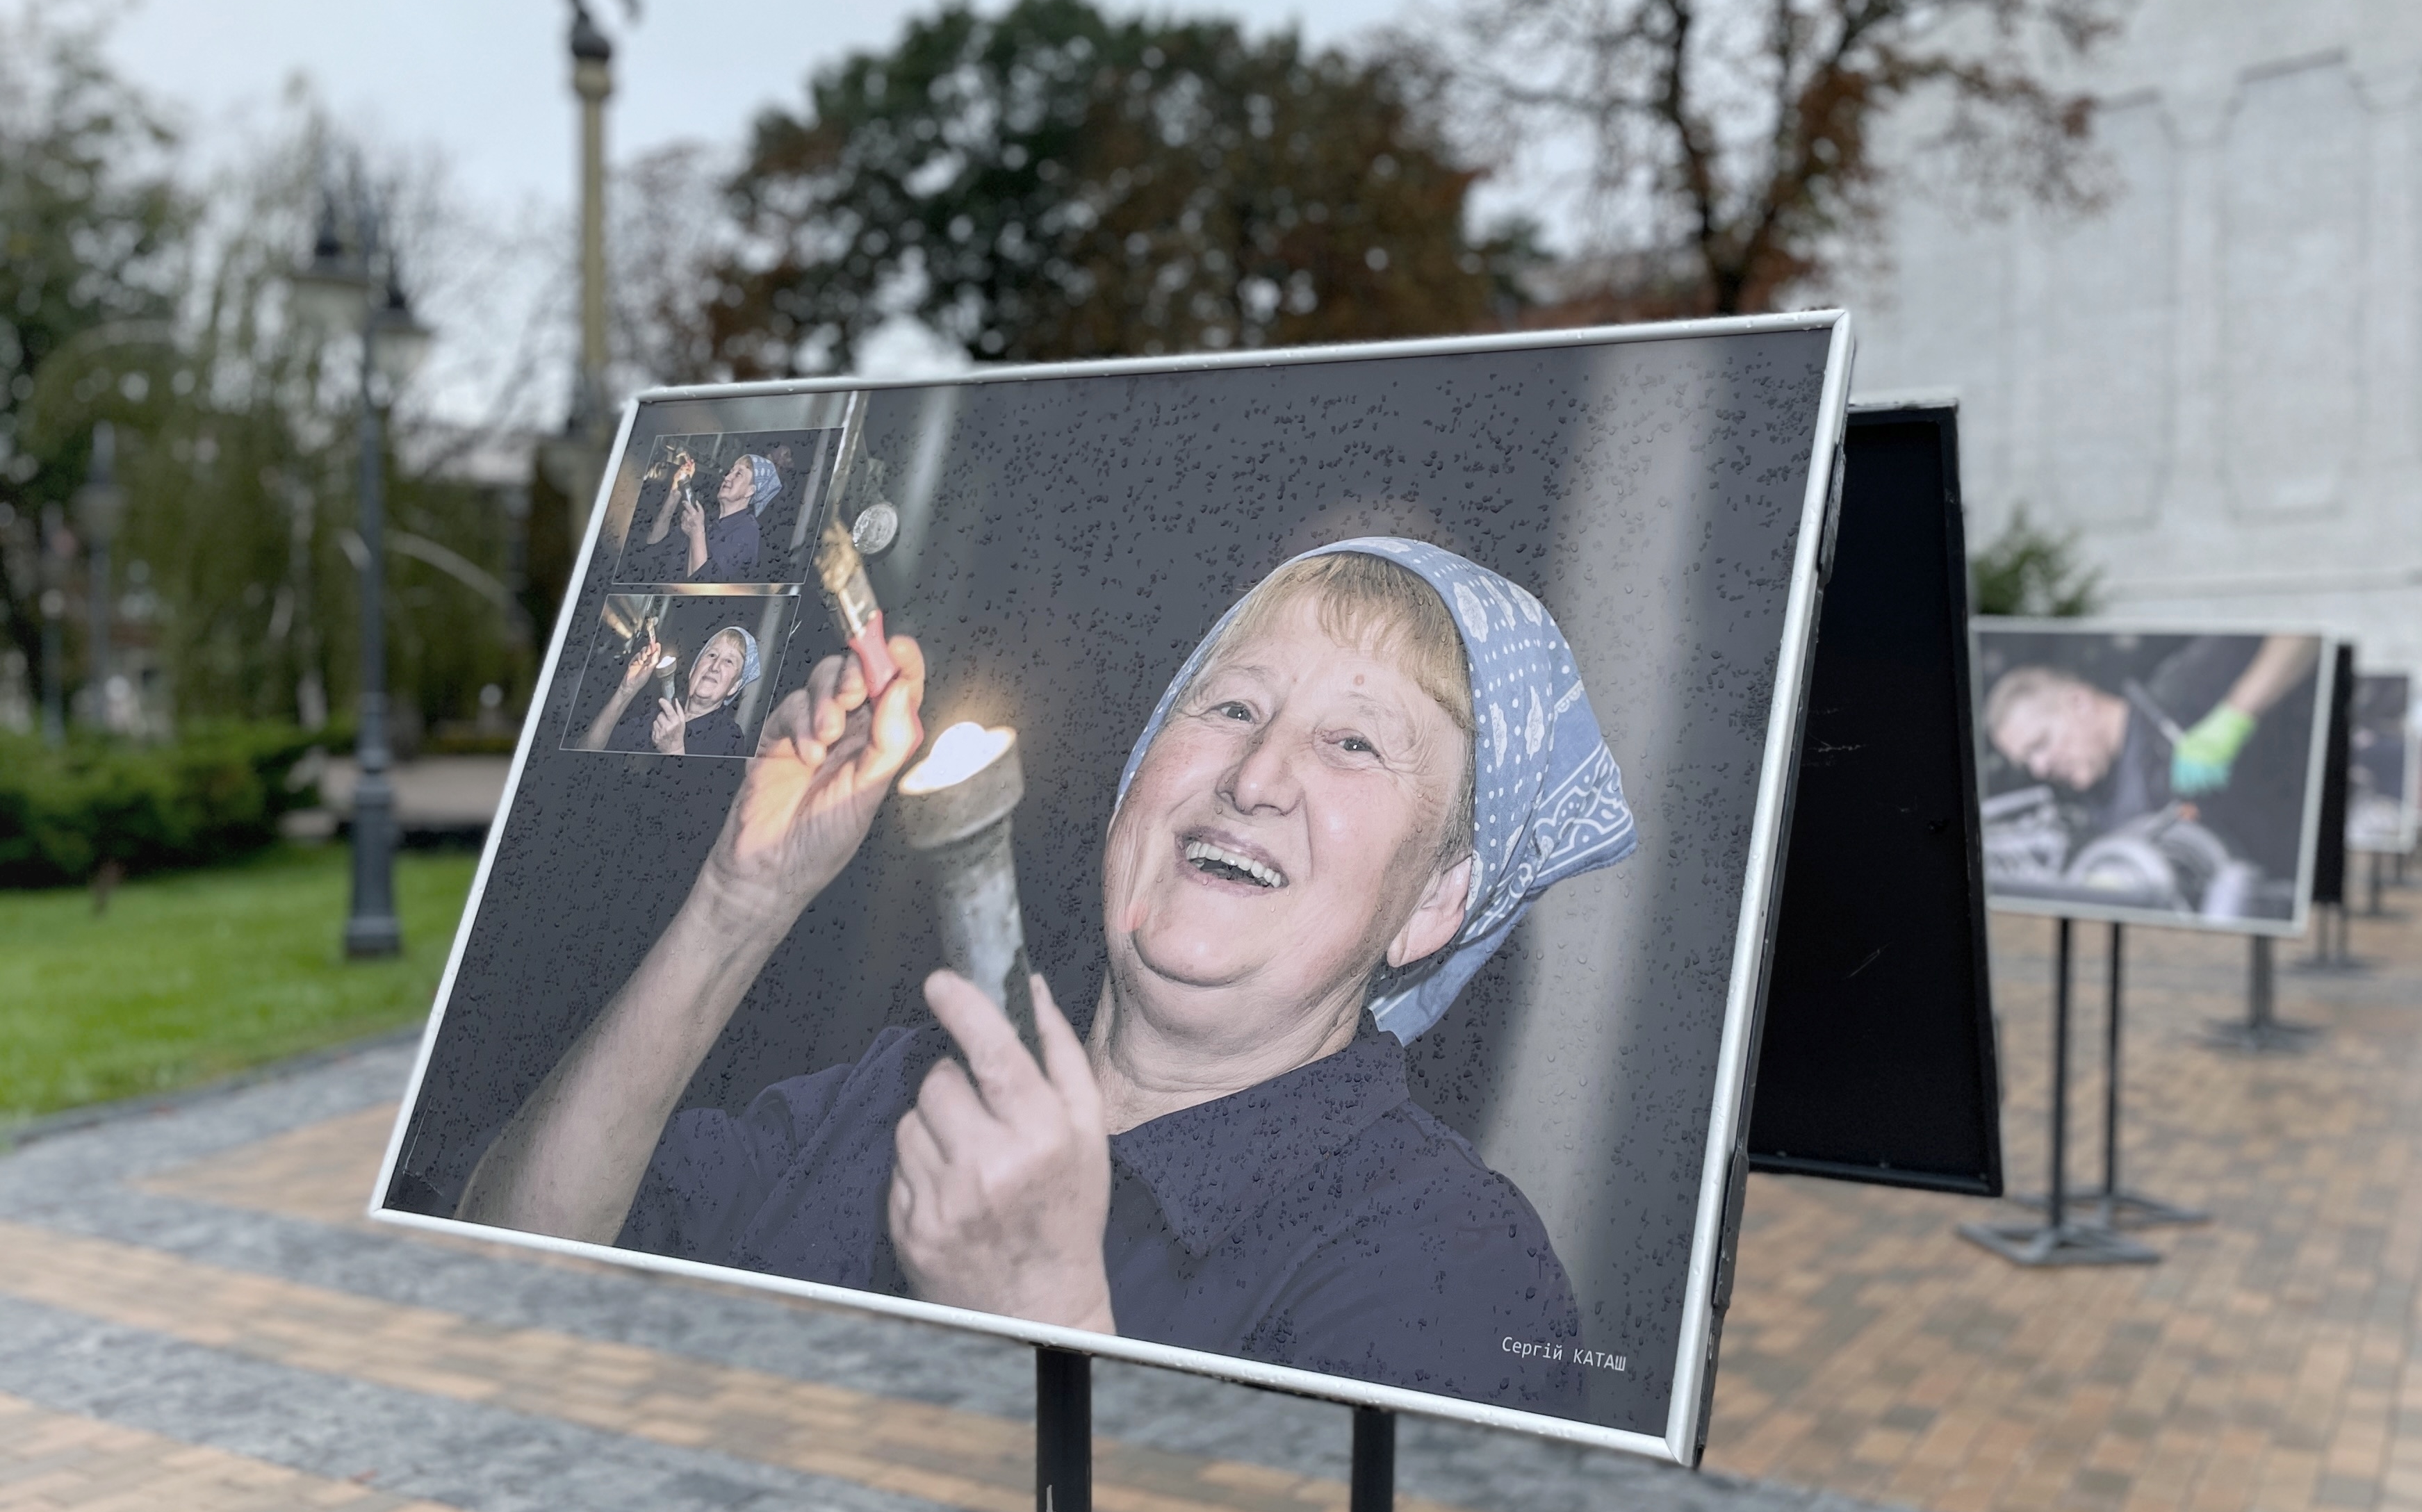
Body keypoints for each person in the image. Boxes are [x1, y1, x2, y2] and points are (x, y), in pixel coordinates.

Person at [464, 540, 1636, 1411]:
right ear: (1139, 771)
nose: (1258, 773)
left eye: (1355, 741)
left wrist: (1045, 1312)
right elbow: (509, 1277)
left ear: (1436, 897)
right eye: (1230, 703)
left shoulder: (1453, 1269)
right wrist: (740, 899)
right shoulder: (908, 1087)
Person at [1982, 632, 2320, 868]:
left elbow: (2301, 631)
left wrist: (2235, 716)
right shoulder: (2094, 805)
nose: (2040, 768)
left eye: (2040, 744)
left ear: (2079, 703)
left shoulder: (2177, 696)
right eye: (2027, 762)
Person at [580, 624, 760, 757]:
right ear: (693, 671)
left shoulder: (728, 739)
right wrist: (626, 690)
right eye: (712, 655)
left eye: (729, 661)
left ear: (735, 686)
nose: (715, 666)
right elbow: (585, 752)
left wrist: (674, 750)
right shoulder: (653, 717)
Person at [637, 452, 780, 582]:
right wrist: (675, 493)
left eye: (738, 474)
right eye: (731, 471)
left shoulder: (747, 532)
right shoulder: (708, 519)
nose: (727, 477)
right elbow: (654, 544)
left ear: (751, 491)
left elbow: (701, 587)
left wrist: (697, 533)